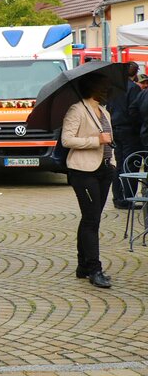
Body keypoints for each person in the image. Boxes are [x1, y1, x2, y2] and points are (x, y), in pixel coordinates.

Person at [61, 74, 115, 288]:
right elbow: (67, 139)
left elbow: (110, 140)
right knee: (91, 220)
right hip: (84, 171)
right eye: (104, 86)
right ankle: (94, 269)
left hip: (104, 170)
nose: (107, 90)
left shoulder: (104, 112)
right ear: (93, 89)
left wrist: (113, 163)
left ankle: (83, 266)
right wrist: (96, 140)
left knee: (91, 218)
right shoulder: (77, 110)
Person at [110, 62, 141, 209]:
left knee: (119, 164)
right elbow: (134, 111)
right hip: (129, 131)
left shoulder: (114, 88)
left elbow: (109, 108)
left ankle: (118, 197)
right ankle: (128, 199)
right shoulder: (134, 88)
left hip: (116, 128)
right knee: (130, 164)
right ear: (135, 74)